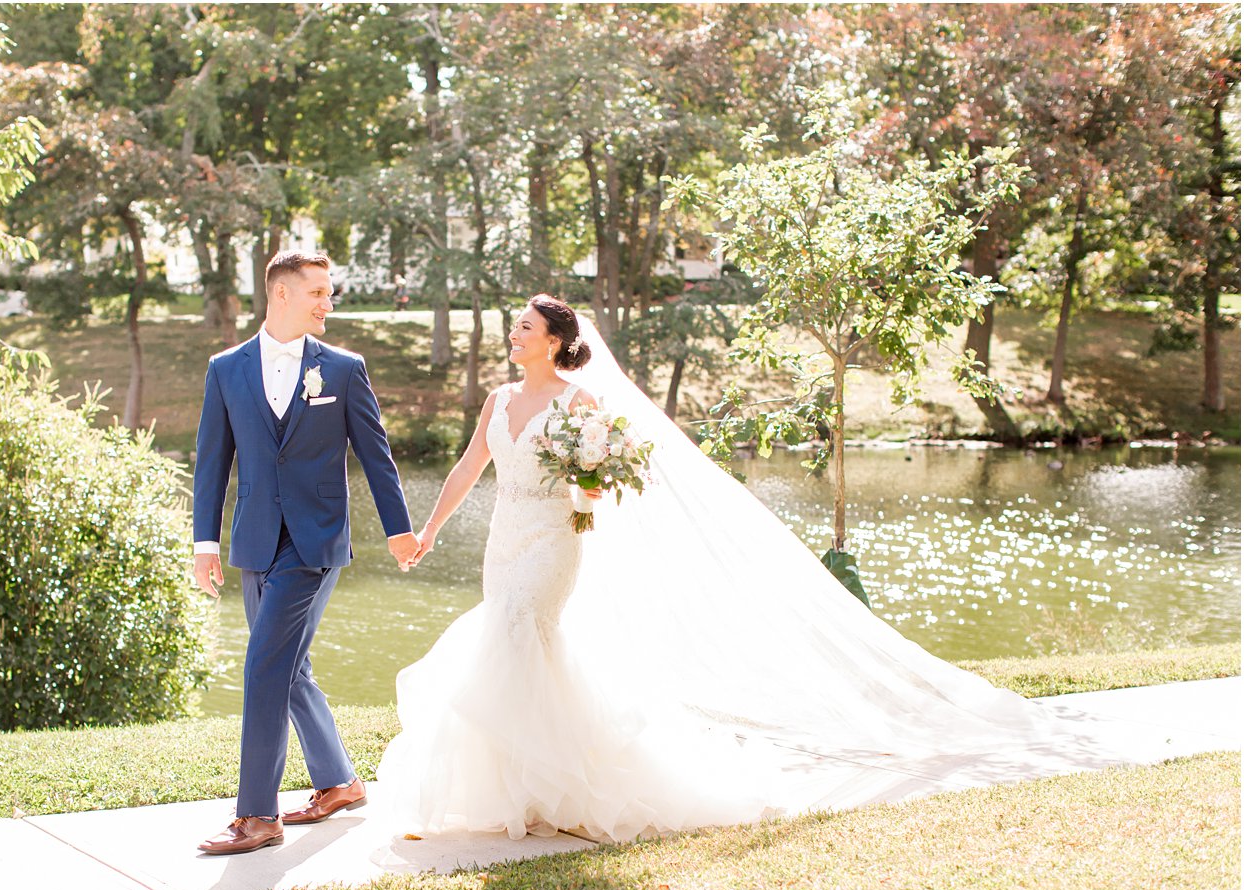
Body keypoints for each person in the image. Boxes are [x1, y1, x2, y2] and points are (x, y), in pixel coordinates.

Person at [377, 295, 1183, 844]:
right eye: (514, 328)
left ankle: (541, 792)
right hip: (502, 540)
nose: (513, 335)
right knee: (520, 647)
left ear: (553, 340)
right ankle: (530, 788)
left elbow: (608, 479)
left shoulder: (583, 406)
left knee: (519, 631)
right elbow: (464, 470)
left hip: (554, 543)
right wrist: (425, 532)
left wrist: (584, 482)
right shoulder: (494, 402)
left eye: (523, 327)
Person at [192, 251, 421, 856]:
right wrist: (205, 543)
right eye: (318, 292)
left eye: (329, 293)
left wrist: (399, 530)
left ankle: (256, 817)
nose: (328, 303)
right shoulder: (225, 369)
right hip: (255, 541)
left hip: (315, 543)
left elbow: (376, 456)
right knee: (289, 668)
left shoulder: (343, 370)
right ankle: (340, 781)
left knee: (264, 667)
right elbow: (212, 463)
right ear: (282, 295)